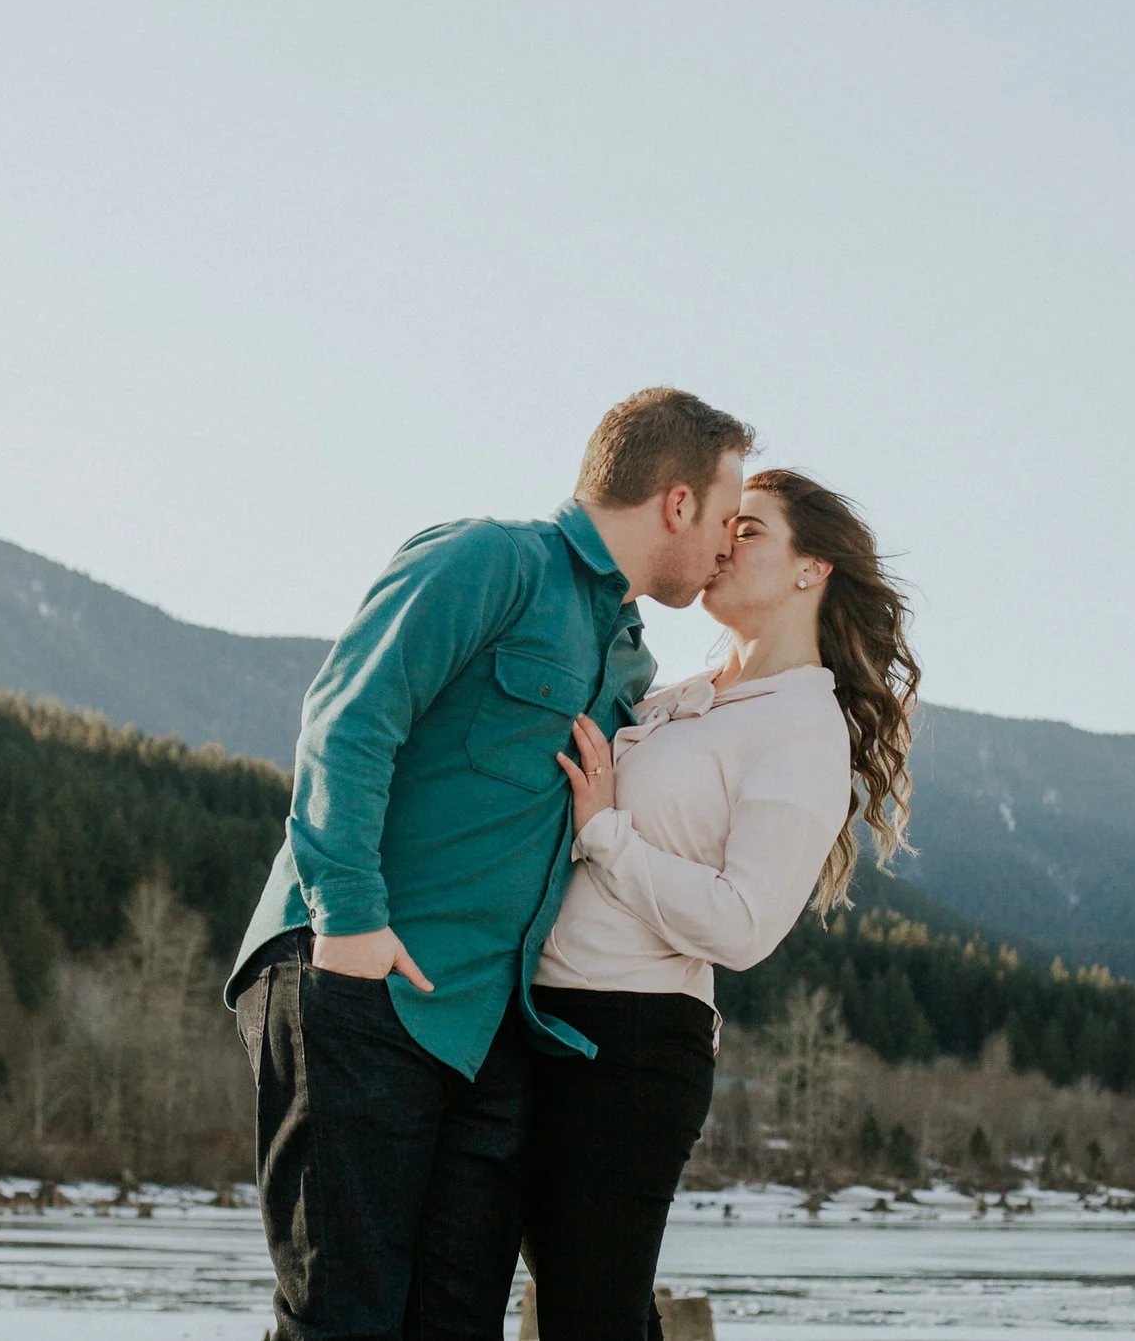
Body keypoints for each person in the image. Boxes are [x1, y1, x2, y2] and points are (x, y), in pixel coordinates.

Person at [225, 388, 756, 1341]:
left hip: (489, 1034)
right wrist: (347, 918)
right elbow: (348, 716)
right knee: (341, 1322)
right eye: (726, 516)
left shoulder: (630, 660)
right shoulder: (491, 561)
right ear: (676, 502)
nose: (730, 543)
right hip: (355, 977)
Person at [521, 469, 920, 1341]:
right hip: (539, 1018)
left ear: (811, 569)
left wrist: (608, 835)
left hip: (627, 1044)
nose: (721, 543)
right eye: (723, 525)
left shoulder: (803, 729)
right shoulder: (684, 700)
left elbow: (743, 927)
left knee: (593, 1320)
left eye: (751, 531)